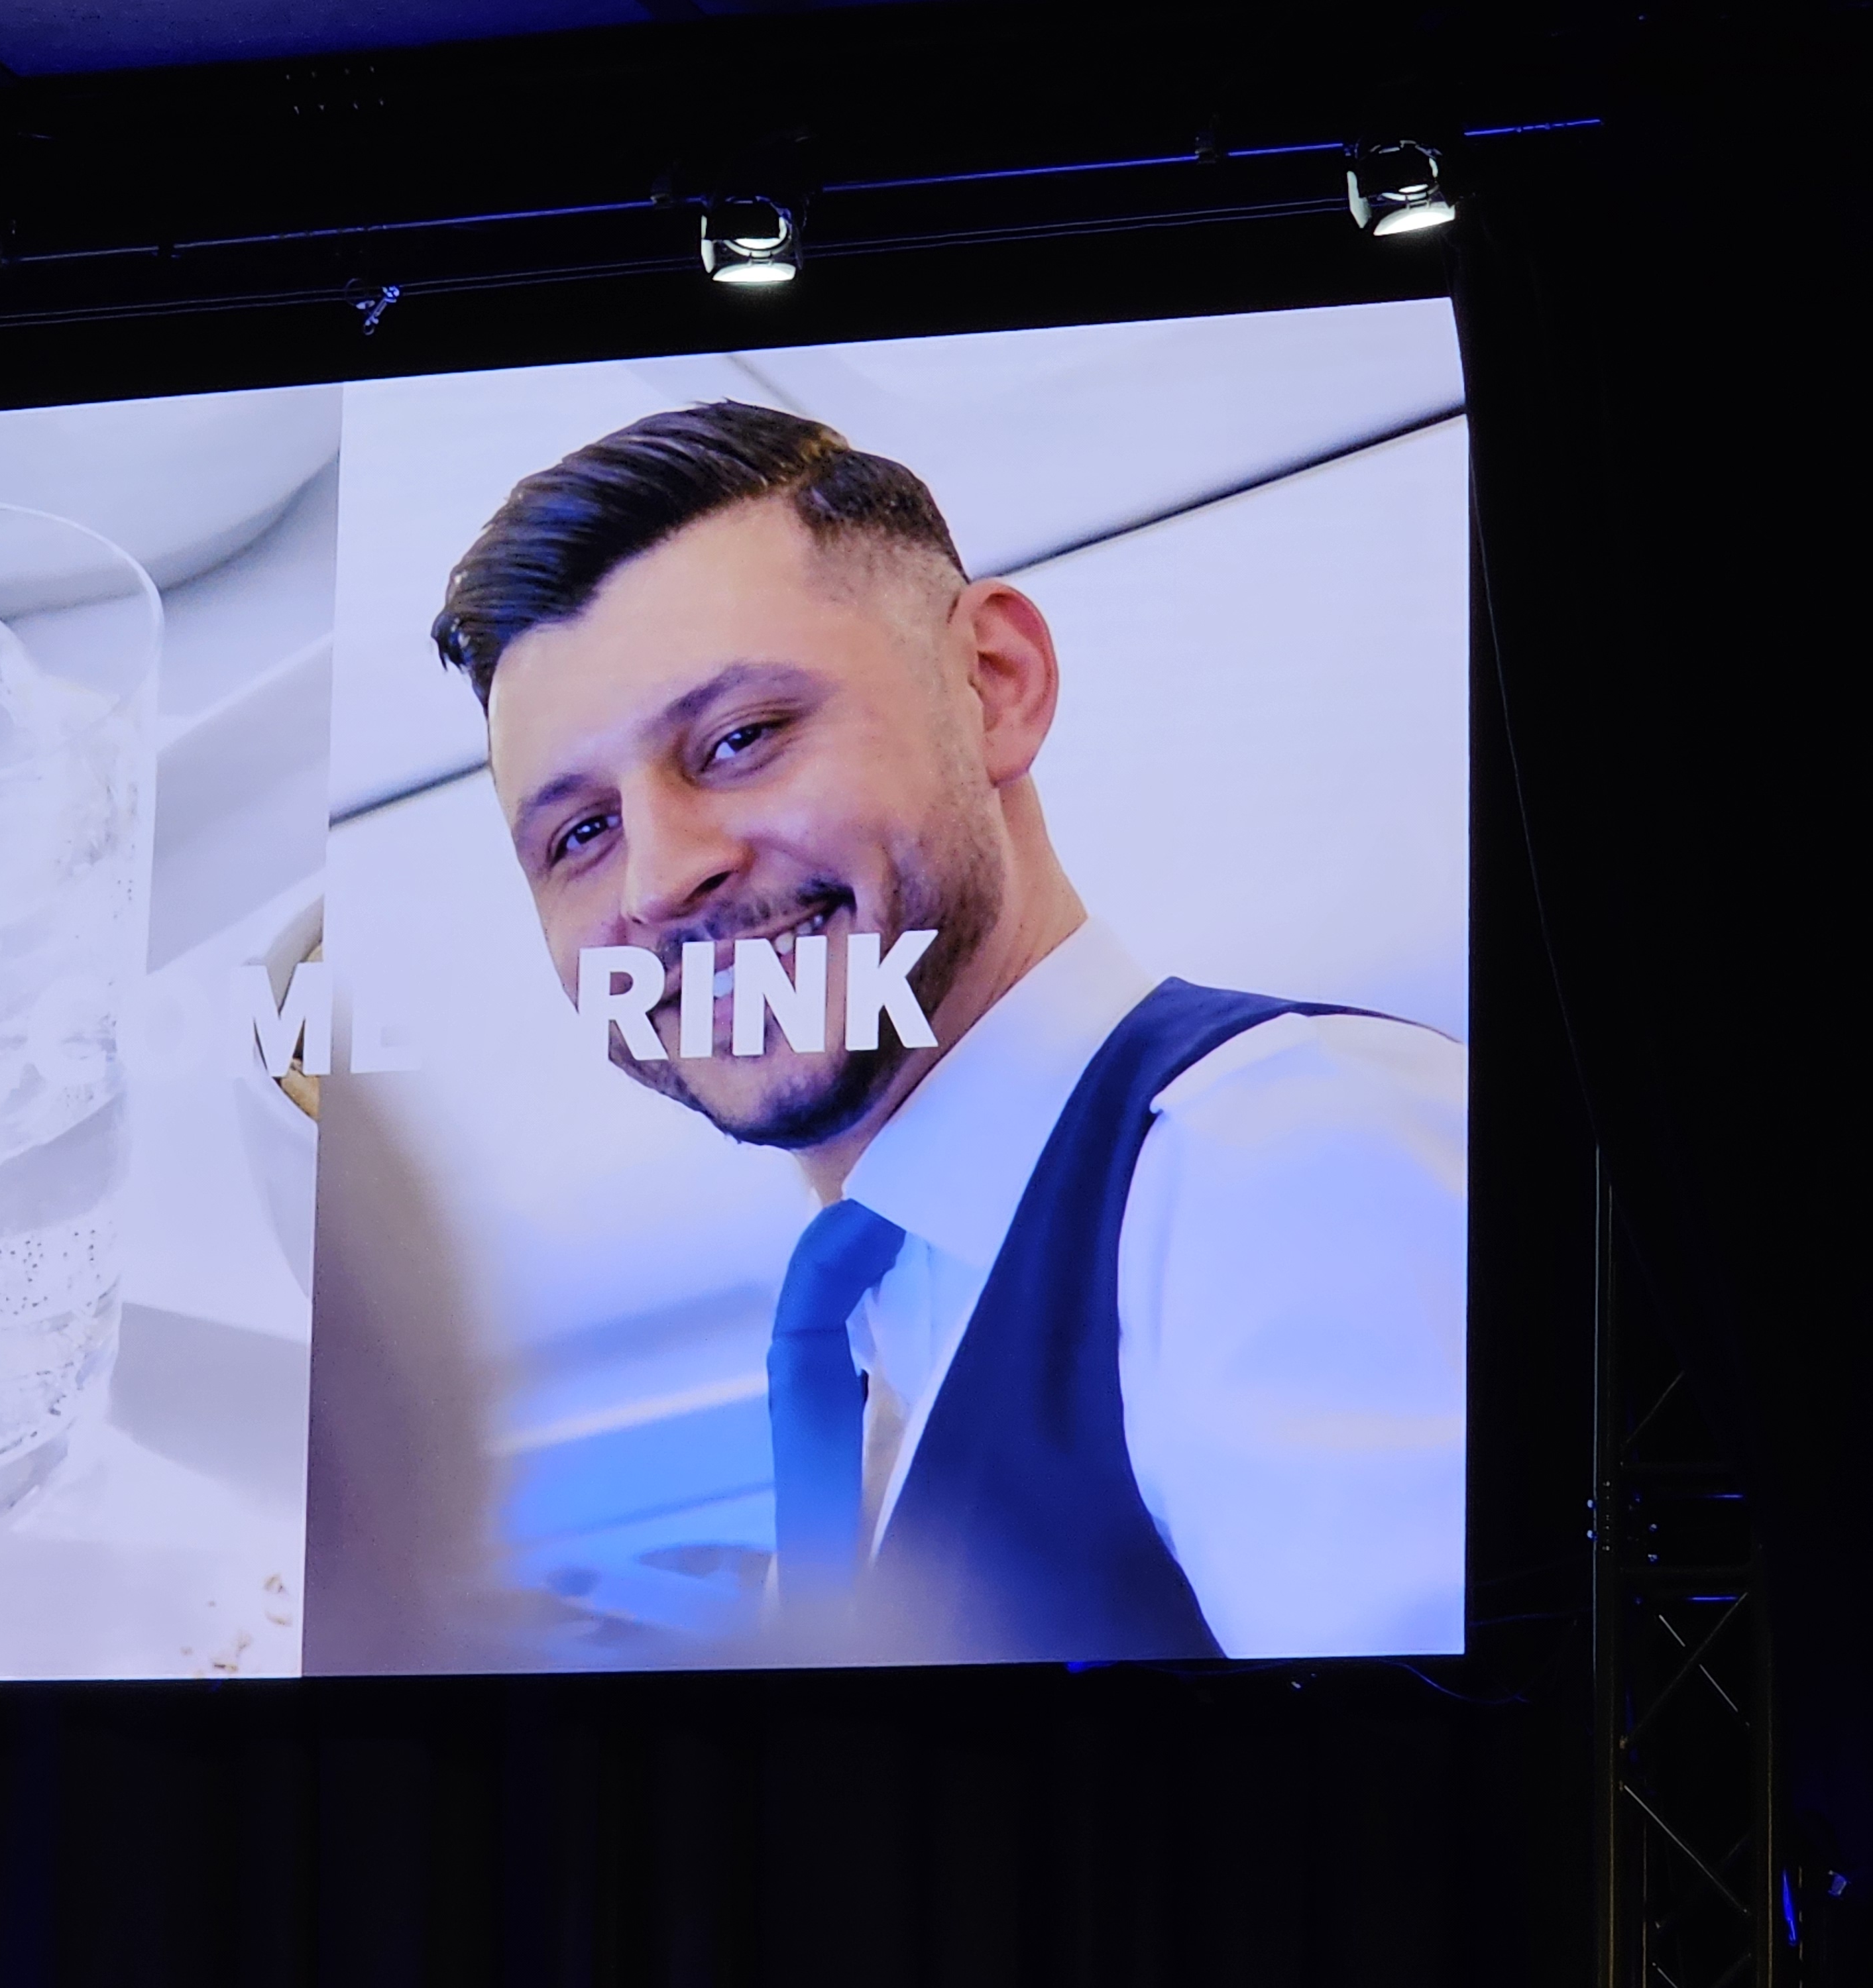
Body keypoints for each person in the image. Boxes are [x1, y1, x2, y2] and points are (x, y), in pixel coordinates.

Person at [429, 402, 1465, 1664]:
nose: (659, 879)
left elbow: (1458, 1777)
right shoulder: (891, 1347)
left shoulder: (1271, 1161)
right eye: (580, 833)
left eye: (740, 740)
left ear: (993, 687)